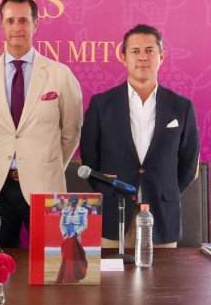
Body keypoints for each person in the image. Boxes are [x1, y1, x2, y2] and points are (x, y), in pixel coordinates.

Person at [0, 0, 83, 248]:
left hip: (45, 185)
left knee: (50, 262)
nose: (17, 27)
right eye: (10, 21)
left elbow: (71, 132)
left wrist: (48, 165)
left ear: (35, 24)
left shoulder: (60, 74)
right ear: (1, 24)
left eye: (23, 20)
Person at [79, 23, 200, 247]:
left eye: (150, 50)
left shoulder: (181, 106)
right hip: (113, 214)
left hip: (162, 217)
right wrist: (110, 191)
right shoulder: (101, 104)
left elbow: (189, 163)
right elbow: (90, 160)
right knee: (113, 271)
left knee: (162, 272)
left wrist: (166, 191)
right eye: (135, 51)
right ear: (123, 57)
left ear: (161, 56)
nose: (143, 57)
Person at [56, 196, 88, 284]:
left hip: (76, 238)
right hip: (67, 238)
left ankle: (75, 276)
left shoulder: (83, 211)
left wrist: (76, 232)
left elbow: (84, 225)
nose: (72, 206)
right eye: (71, 205)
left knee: (75, 256)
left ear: (77, 203)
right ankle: (67, 275)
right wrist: (65, 234)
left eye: (74, 205)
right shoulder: (65, 211)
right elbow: (62, 225)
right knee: (66, 256)